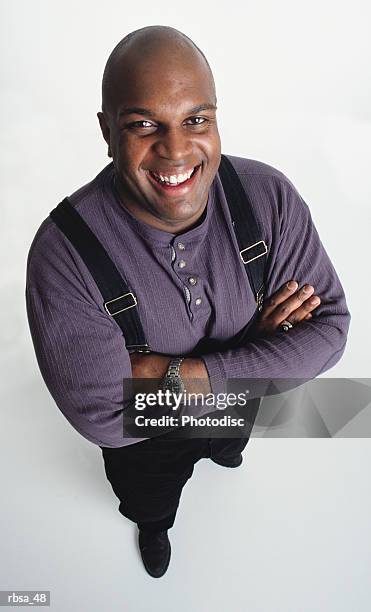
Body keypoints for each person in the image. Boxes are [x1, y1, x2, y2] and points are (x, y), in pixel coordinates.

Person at [25, 25, 350, 578]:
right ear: (107, 131)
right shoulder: (63, 255)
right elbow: (104, 418)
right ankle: (155, 526)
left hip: (232, 410)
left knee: (228, 443)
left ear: (216, 117)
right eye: (143, 124)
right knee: (150, 501)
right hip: (146, 448)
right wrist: (259, 351)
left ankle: (224, 452)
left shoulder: (266, 196)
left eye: (195, 120)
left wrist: (167, 373)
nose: (175, 150)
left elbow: (332, 332)